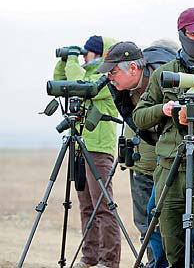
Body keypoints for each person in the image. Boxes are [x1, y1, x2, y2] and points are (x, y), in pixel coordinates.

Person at [133, 7, 194, 268]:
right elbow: (139, 116)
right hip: (170, 170)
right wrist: (164, 110)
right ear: (183, 35)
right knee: (172, 248)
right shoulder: (163, 75)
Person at [97, 40, 178, 268]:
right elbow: (134, 120)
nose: (110, 78)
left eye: (113, 72)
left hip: (170, 163)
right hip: (141, 165)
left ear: (133, 68)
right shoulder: (120, 88)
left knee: (169, 226)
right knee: (146, 226)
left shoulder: (163, 81)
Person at [53, 35, 121, 268]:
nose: (84, 57)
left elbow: (83, 87)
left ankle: (108, 261)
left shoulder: (106, 78)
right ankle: (90, 258)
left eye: (87, 53)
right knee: (86, 208)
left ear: (101, 54)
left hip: (99, 149)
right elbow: (61, 82)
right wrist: (64, 60)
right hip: (80, 145)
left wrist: (72, 60)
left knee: (103, 206)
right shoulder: (84, 71)